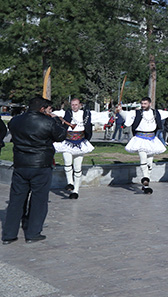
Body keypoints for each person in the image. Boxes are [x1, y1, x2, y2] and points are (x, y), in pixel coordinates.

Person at [2, 97, 68, 244]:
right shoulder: (48, 122)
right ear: (42, 109)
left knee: (16, 200)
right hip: (40, 165)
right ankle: (33, 233)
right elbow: (61, 136)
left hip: (21, 164)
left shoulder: (15, 121)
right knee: (39, 200)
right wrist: (57, 122)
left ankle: (9, 234)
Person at [119, 98, 168, 194]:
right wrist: (120, 111)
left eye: (145, 103)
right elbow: (127, 116)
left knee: (150, 163)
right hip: (140, 138)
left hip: (152, 139)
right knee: (143, 158)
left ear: (150, 104)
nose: (143, 105)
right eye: (142, 103)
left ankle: (145, 185)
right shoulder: (136, 113)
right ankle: (145, 179)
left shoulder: (157, 113)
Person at [52, 98, 107, 199]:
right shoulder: (67, 113)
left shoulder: (86, 114)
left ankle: (76, 190)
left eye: (76, 104)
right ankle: (70, 183)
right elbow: (55, 115)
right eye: (72, 105)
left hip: (80, 141)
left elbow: (96, 121)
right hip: (67, 141)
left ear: (80, 105)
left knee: (77, 167)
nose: (74, 106)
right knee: (67, 162)